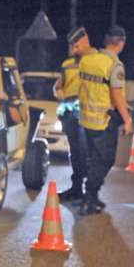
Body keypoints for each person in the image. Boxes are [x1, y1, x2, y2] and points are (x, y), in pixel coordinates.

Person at [78, 25, 132, 215]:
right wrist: (127, 119)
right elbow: (116, 95)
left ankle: (91, 196)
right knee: (105, 160)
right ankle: (89, 196)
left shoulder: (88, 60)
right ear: (121, 43)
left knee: (93, 159)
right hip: (103, 120)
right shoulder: (114, 65)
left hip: (86, 119)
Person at [53, 27, 95, 201]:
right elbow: (59, 85)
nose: (74, 50)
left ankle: (91, 192)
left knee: (88, 152)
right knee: (75, 152)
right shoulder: (67, 64)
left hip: (90, 113)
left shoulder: (97, 60)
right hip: (70, 112)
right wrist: (58, 91)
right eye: (72, 47)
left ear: (85, 41)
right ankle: (76, 188)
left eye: (76, 46)